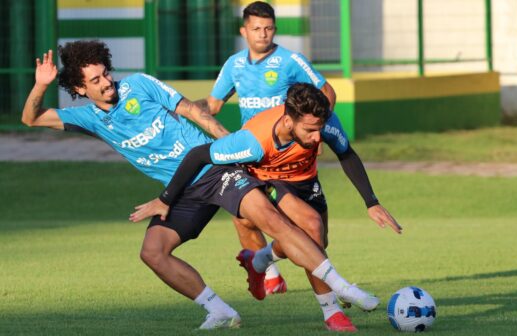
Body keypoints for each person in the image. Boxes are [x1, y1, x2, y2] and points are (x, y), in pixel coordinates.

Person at [22, 40, 375, 332]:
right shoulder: (87, 118)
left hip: (214, 168)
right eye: (95, 80)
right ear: (80, 89)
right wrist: (40, 85)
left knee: (275, 222)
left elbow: (193, 111)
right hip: (178, 189)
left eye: (105, 73)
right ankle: (220, 310)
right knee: (153, 252)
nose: (106, 82)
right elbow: (31, 118)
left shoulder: (140, 85)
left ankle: (340, 297)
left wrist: (233, 144)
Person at [131, 83, 402, 332]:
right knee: (312, 226)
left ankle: (259, 258)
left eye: (320, 128)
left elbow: (346, 153)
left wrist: (371, 202)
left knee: (317, 242)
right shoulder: (252, 140)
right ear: (288, 121)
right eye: (310, 130)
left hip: (307, 182)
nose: (318, 137)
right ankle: (332, 312)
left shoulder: (325, 123)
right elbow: (198, 155)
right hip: (267, 180)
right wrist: (166, 199)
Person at [199, 0, 337, 295]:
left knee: (315, 235)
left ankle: (271, 258)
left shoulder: (290, 60)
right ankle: (271, 275)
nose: (263, 34)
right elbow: (212, 105)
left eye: (268, 28)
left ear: (274, 29)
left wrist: (317, 133)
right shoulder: (234, 64)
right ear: (244, 31)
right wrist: (181, 108)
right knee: (242, 217)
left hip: (287, 155)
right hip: (253, 153)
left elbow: (326, 92)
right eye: (256, 28)